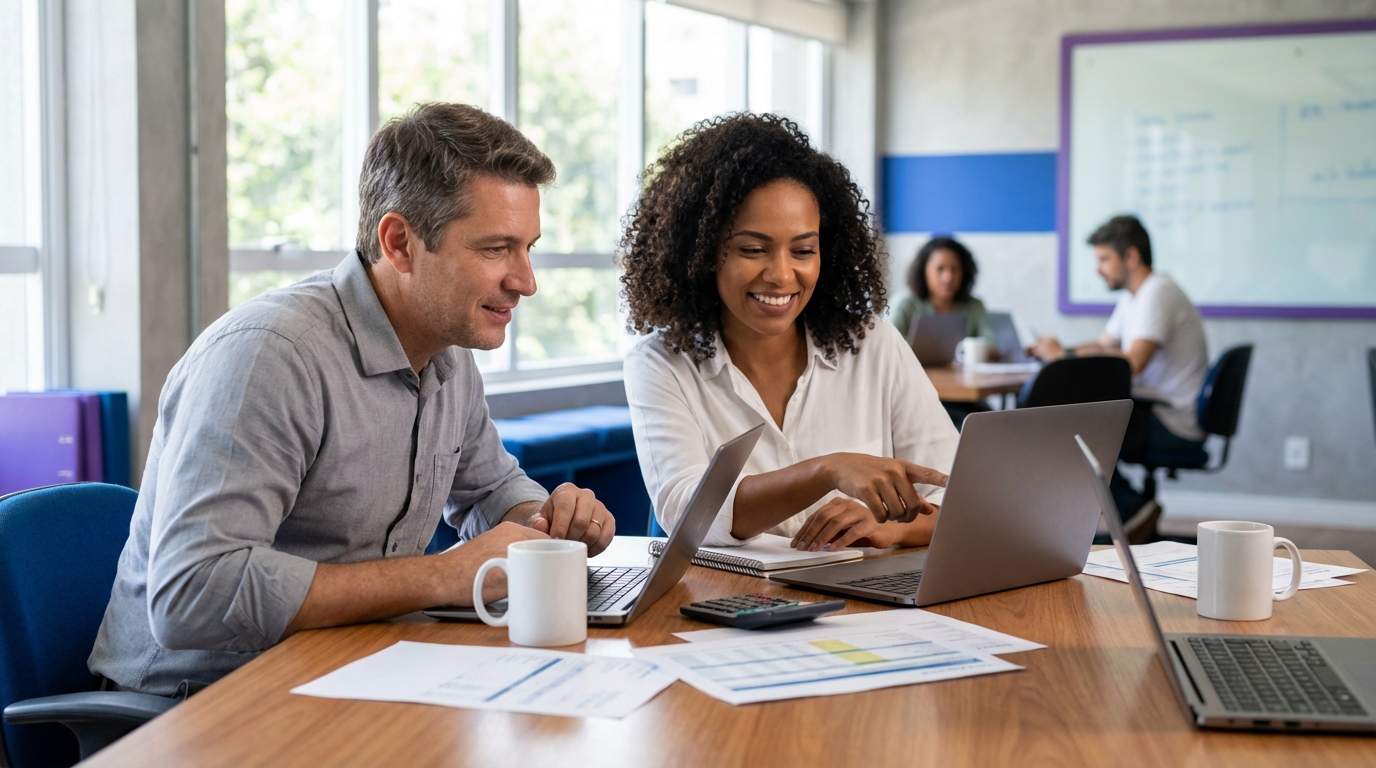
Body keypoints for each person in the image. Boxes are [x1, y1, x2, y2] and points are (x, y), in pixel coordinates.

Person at [88, 103, 617, 697]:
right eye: (496, 249)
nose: (526, 281)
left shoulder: (448, 351)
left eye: (528, 248)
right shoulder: (271, 356)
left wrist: (541, 522)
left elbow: (490, 490)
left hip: (356, 669)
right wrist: (443, 575)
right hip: (198, 704)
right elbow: (194, 593)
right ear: (400, 243)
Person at [620, 114, 955, 553]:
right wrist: (826, 470)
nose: (781, 275)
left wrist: (890, 530)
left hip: (867, 605)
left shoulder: (874, 343)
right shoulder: (661, 363)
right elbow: (687, 514)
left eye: (803, 250)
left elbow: (958, 493)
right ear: (701, 253)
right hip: (732, 606)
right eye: (753, 249)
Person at [1030, 214, 1208, 537]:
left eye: (1104, 259)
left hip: (1170, 421)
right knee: (1073, 421)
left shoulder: (1157, 293)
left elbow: (1133, 362)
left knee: (1069, 429)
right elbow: (1102, 344)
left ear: (1130, 257)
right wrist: (1061, 352)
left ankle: (1130, 508)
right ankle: (1131, 509)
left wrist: (1064, 357)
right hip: (1153, 411)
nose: (1098, 268)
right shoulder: (1134, 297)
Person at [890, 236, 996, 348]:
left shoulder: (974, 306)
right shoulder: (904, 305)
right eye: (940, 269)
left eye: (955, 269)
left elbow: (992, 344)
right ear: (923, 272)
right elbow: (887, 347)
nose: (948, 277)